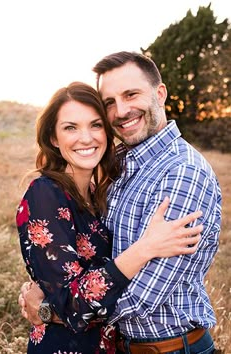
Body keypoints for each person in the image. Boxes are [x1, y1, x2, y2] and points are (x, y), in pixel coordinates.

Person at [16, 81, 203, 354]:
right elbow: (74, 306)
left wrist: (46, 307)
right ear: (54, 138)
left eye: (95, 125)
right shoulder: (44, 194)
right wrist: (145, 248)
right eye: (70, 128)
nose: (86, 138)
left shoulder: (101, 194)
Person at [91, 51, 222, 353]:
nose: (120, 111)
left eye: (131, 94)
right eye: (109, 102)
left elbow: (142, 295)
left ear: (159, 93)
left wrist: (60, 310)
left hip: (170, 348)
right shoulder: (121, 164)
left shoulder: (182, 172)